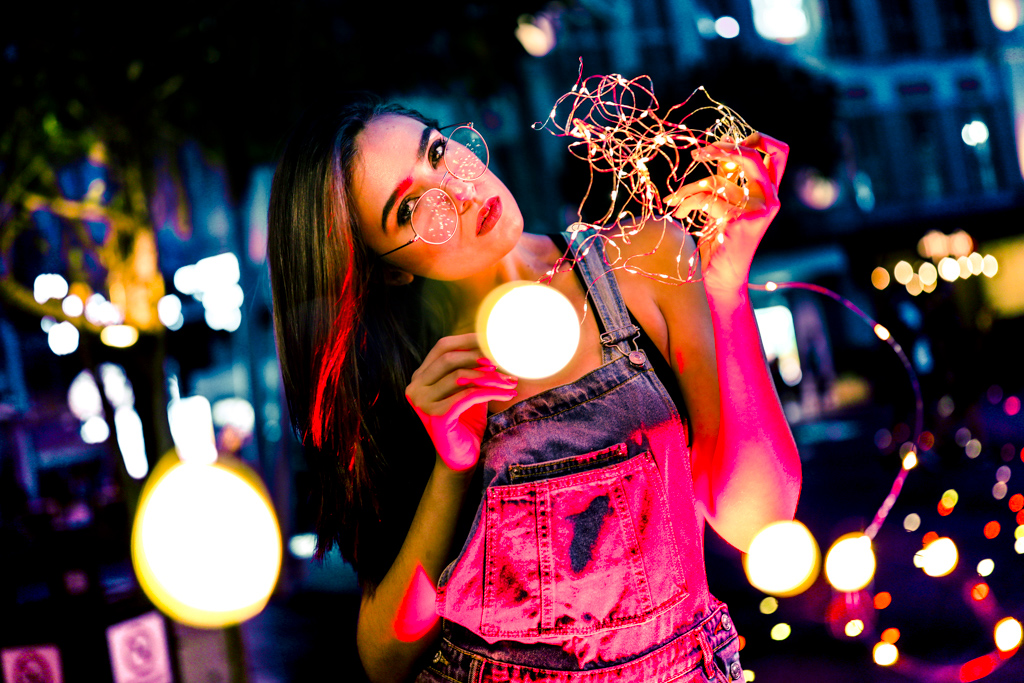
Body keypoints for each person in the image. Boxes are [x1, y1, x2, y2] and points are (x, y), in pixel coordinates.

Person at [268, 93, 801, 683]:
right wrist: (453, 465)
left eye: (439, 152)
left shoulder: (644, 262)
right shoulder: (415, 386)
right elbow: (387, 660)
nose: (461, 191)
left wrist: (726, 288)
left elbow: (760, 518)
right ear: (388, 267)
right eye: (414, 206)